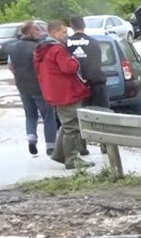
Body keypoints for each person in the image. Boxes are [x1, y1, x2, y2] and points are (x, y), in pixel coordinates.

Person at [34, 20, 94, 169]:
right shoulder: (57, 49)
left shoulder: (41, 49)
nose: (67, 35)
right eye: (64, 32)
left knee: (66, 124)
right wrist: (75, 60)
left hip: (53, 92)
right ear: (54, 33)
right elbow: (68, 68)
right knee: (72, 126)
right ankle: (72, 159)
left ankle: (59, 154)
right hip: (66, 92)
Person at [7, 21, 57, 156]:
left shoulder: (13, 47)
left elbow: (10, 67)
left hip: (22, 85)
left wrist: (19, 76)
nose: (41, 33)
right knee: (48, 116)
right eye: (38, 30)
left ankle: (31, 138)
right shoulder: (38, 48)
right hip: (39, 87)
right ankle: (50, 146)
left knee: (30, 115)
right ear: (30, 32)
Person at [67, 15, 107, 157]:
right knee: (101, 115)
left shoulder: (66, 43)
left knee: (79, 117)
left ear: (71, 26)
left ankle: (81, 147)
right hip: (96, 83)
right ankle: (105, 145)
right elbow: (97, 64)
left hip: (76, 86)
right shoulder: (94, 42)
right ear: (84, 24)